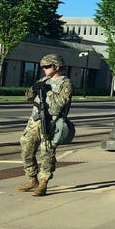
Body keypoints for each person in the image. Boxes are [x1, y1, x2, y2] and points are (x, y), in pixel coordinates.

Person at [16, 54, 72, 197]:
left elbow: (58, 106)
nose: (44, 69)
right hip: (34, 122)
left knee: (47, 153)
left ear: (56, 66)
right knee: (26, 147)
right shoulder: (43, 80)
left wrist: (47, 91)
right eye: (43, 67)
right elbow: (29, 99)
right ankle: (32, 178)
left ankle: (43, 183)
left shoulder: (65, 84)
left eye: (47, 66)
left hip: (51, 123)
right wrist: (33, 89)